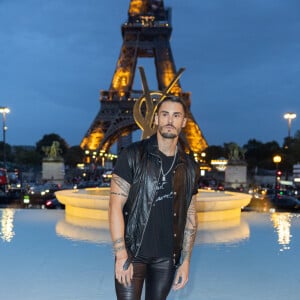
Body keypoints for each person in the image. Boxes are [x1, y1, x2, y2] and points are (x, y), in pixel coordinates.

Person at [109, 96, 200, 300]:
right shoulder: (132, 155)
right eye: (165, 114)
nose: (170, 120)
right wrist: (121, 254)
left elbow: (191, 217)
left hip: (166, 258)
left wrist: (185, 261)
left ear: (184, 122)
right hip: (133, 254)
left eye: (176, 115)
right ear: (156, 119)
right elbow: (115, 206)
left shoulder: (191, 168)